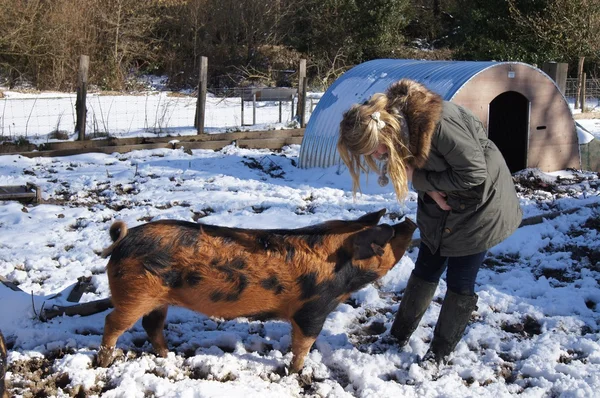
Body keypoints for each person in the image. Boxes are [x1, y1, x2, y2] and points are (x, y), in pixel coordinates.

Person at [337, 78, 522, 364]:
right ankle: (397, 336)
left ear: (383, 129)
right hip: (443, 203)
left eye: (374, 149)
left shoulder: (440, 126)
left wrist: (423, 181)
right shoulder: (402, 126)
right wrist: (431, 191)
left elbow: (474, 175)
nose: (376, 156)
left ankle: (439, 354)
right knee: (426, 267)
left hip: (479, 206)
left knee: (460, 281)